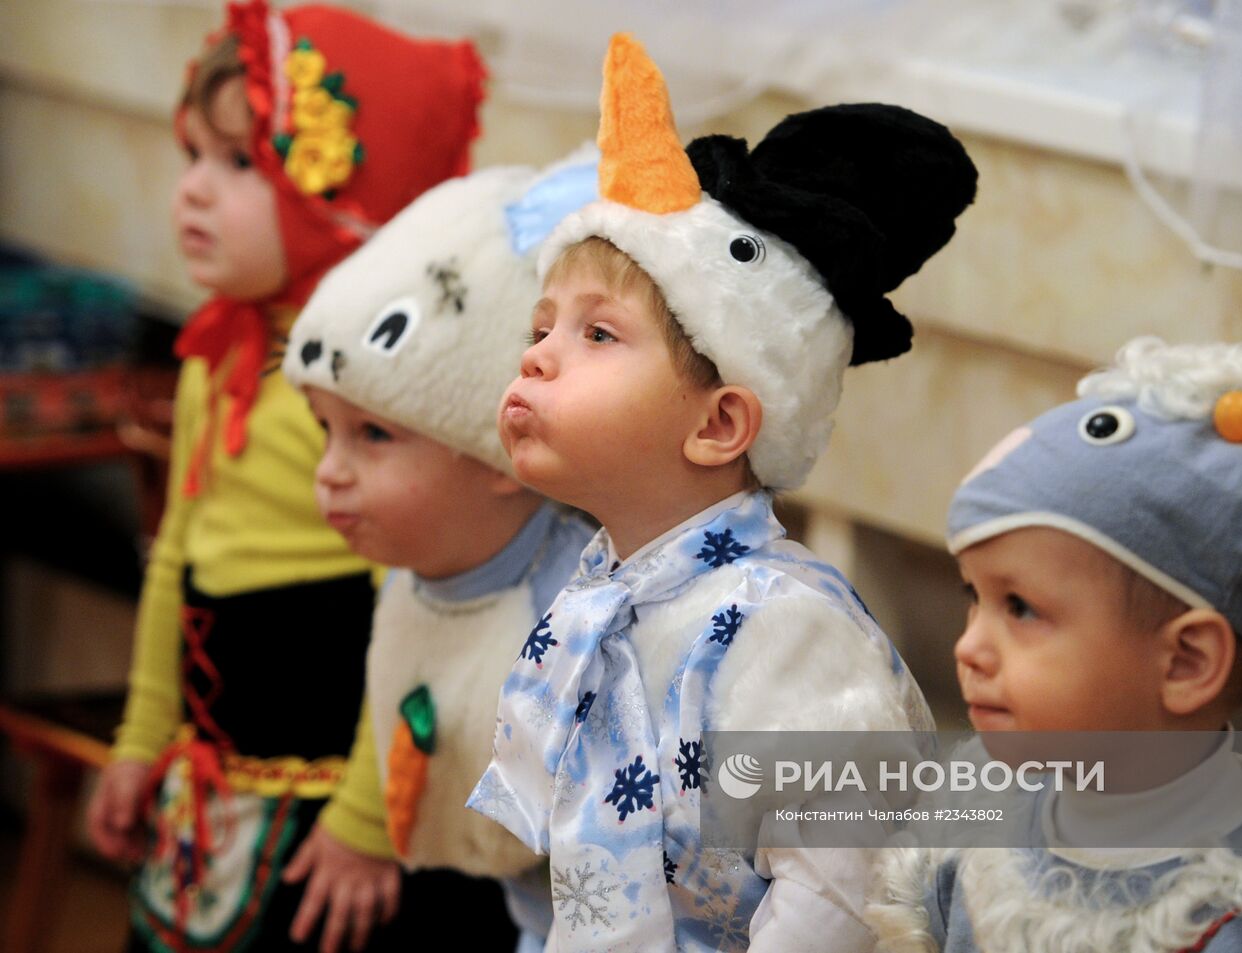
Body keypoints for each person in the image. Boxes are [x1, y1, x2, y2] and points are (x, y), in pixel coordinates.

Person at [467, 33, 978, 952]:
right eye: (542, 325)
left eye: (597, 335)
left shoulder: (785, 625)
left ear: (716, 426)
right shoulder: (605, 593)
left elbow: (839, 889)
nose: (537, 353)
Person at [83, 3, 486, 949]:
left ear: (339, 192)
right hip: (216, 775)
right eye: (190, 158)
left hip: (341, 810)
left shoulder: (382, 394)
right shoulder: (212, 360)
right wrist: (143, 738)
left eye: (235, 166)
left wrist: (367, 817)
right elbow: (177, 551)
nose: (190, 193)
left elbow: (429, 612)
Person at [865, 337, 1242, 953]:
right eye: (973, 597)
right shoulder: (973, 823)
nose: (969, 648)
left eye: (1021, 608)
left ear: (1186, 662)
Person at [279, 151, 602, 953]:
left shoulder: (585, 614)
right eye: (327, 430)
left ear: (506, 450)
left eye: (374, 435)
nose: (329, 474)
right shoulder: (413, 567)